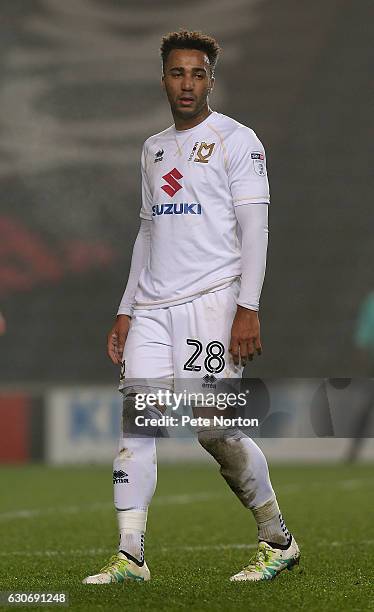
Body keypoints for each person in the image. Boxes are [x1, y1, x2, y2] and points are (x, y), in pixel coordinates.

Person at [83, 30, 300, 585]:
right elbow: (148, 231)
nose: (187, 83)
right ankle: (131, 554)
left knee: (215, 431)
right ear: (163, 78)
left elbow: (256, 230)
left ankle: (278, 539)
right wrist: (127, 307)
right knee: (139, 426)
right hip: (153, 310)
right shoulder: (153, 148)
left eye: (198, 73)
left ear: (211, 79)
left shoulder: (236, 140)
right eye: (177, 73)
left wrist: (246, 308)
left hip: (212, 303)